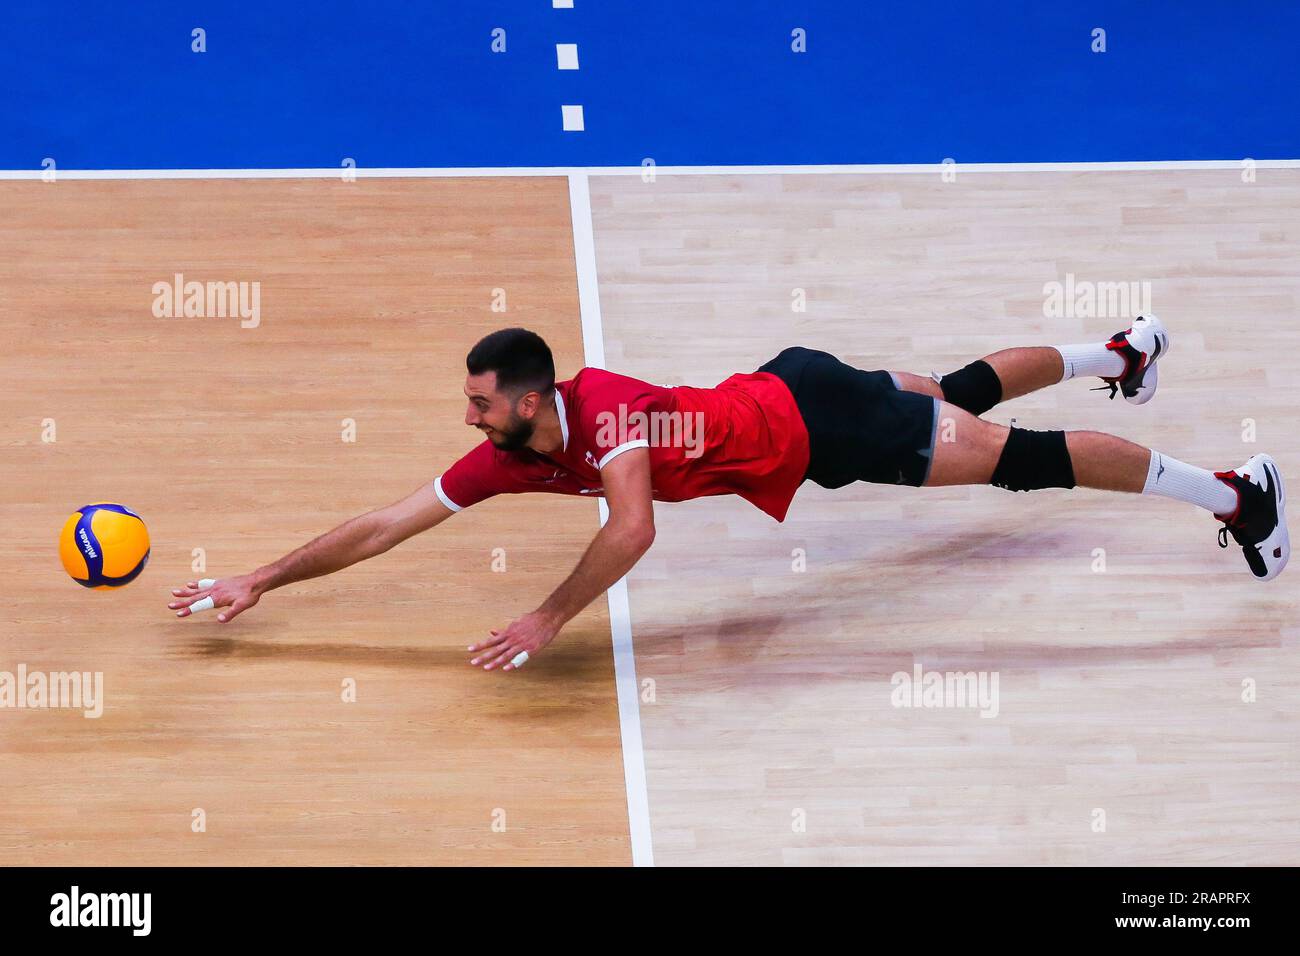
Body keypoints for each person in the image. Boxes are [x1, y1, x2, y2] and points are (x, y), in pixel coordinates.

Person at [168, 322, 1289, 671]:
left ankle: (1237, 492)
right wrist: (256, 578)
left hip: (818, 422)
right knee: (959, 395)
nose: (467, 422)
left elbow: (635, 522)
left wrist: (549, 616)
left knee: (1019, 459)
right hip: (786, 392)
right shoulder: (516, 453)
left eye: (477, 405)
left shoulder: (603, 415)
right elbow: (383, 520)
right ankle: (1118, 351)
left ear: (527, 395)